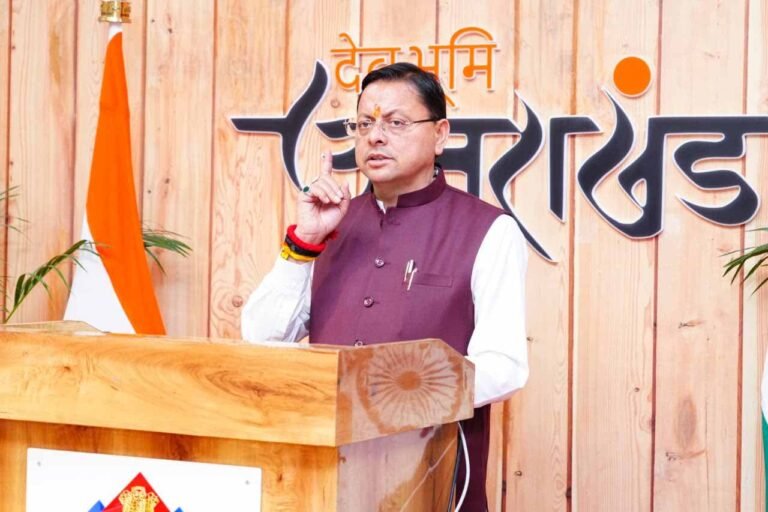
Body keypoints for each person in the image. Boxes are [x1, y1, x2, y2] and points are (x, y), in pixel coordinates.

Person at [242, 62, 528, 510]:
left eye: (396, 123)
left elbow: (505, 365)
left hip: (430, 480)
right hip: (322, 480)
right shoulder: (331, 223)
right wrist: (305, 243)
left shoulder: (489, 230)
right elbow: (260, 339)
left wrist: (400, 390)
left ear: (440, 134)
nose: (375, 136)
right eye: (364, 124)